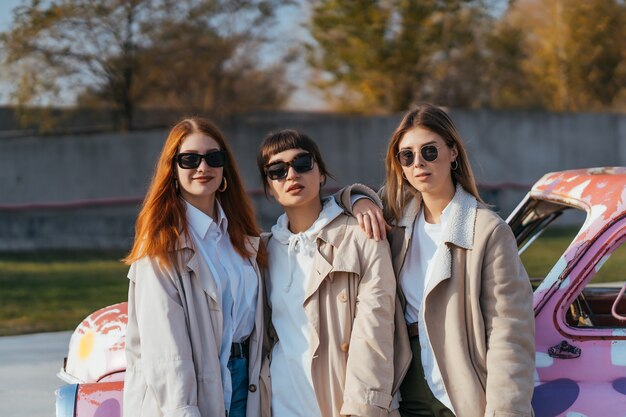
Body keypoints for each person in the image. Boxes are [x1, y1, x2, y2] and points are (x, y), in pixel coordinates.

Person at [336, 104, 535, 417]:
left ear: (453, 152)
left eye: (430, 151)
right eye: (407, 156)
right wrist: (359, 201)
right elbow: (336, 204)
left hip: (463, 387)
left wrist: (506, 410)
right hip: (406, 384)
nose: (419, 163)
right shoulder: (395, 219)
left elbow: (509, 332)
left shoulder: (486, 230)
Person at [256, 129, 411, 417]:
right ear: (268, 187)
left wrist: (362, 408)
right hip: (281, 404)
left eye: (302, 163)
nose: (291, 175)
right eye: (277, 170)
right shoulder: (263, 252)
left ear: (321, 173)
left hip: (344, 403)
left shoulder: (361, 233)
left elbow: (375, 325)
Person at [123, 117, 266, 417]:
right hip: (190, 396)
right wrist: (183, 410)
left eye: (214, 158)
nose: (203, 168)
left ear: (225, 168)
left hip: (245, 388)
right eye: (189, 159)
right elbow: (165, 351)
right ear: (172, 170)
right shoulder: (161, 246)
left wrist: (355, 198)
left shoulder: (241, 237)